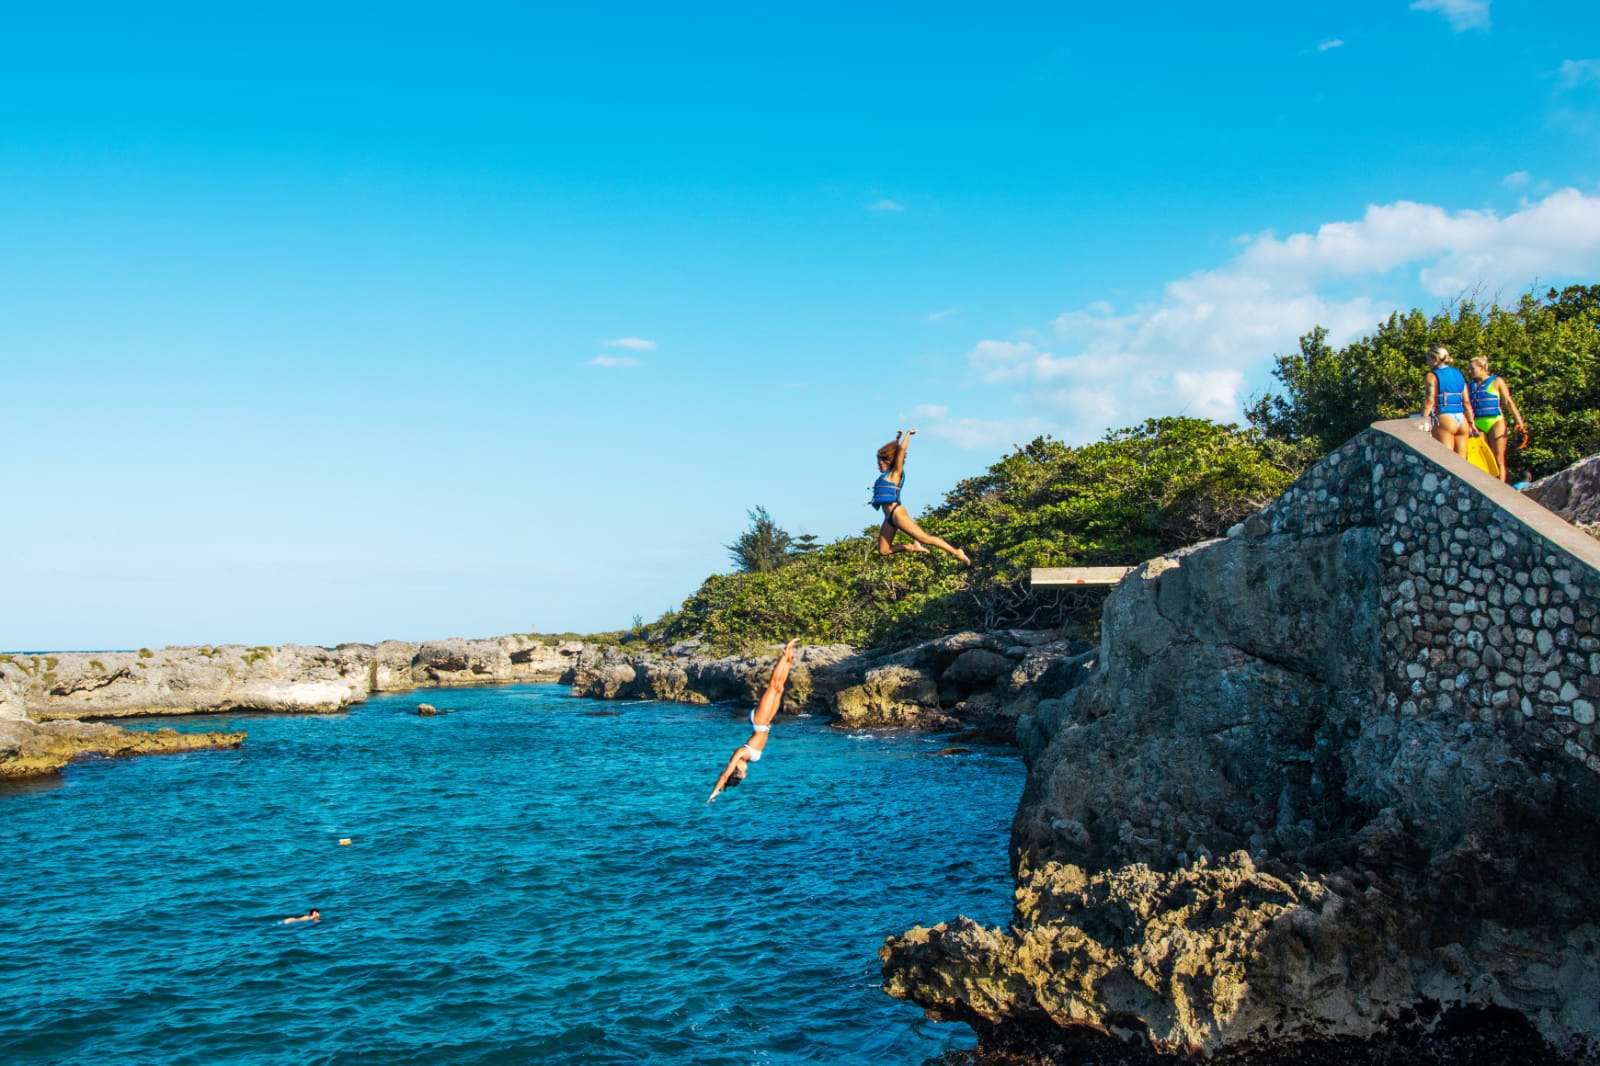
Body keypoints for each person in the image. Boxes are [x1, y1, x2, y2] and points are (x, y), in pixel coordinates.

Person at [707, 639, 799, 802]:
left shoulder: (739, 754)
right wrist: (722, 789)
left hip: (759, 721)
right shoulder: (748, 759)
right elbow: (726, 779)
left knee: (773, 685)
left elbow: (725, 774)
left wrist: (713, 793)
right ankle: (788, 659)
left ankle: (784, 654)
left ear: (738, 771)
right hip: (767, 723)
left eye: (742, 775)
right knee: (780, 688)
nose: (745, 774)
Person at [871, 428, 971, 565]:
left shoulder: (895, 473)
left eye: (880, 463)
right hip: (888, 517)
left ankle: (956, 552)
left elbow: (900, 452)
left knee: (924, 538)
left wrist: (907, 435)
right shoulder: (884, 476)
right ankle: (913, 547)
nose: (878, 466)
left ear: (888, 461)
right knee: (884, 550)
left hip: (896, 513)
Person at [1468, 356, 1526, 483]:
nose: (1469, 371)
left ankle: (1500, 486)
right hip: (1477, 423)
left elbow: (1508, 402)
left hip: (1495, 422)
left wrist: (1519, 421)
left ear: (1482, 368)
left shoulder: (1496, 381)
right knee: (1482, 457)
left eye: (1472, 368)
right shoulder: (1470, 385)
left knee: (1498, 457)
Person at [1422, 346, 1475, 458]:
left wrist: (1423, 419)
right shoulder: (1458, 373)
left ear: (1435, 359)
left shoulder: (1432, 375)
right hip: (1462, 420)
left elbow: (1430, 400)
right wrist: (1471, 422)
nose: (1427, 363)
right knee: (1462, 462)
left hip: (1445, 418)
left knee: (1447, 460)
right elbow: (1466, 402)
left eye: (1428, 359)